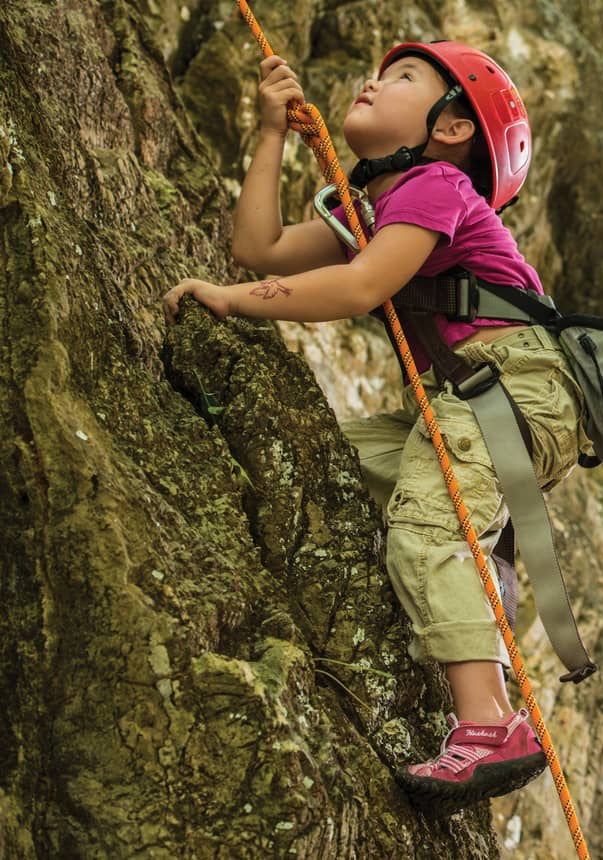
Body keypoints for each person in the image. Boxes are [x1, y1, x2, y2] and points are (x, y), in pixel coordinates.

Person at [163, 42, 581, 806]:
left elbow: (359, 286)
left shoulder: (436, 184)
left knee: (429, 525)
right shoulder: (384, 207)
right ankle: (468, 601)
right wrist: (269, 133)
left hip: (512, 391)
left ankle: (492, 725)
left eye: (403, 79)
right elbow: (258, 249)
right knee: (315, 458)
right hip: (468, 400)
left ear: (451, 128)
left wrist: (231, 300)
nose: (373, 81)